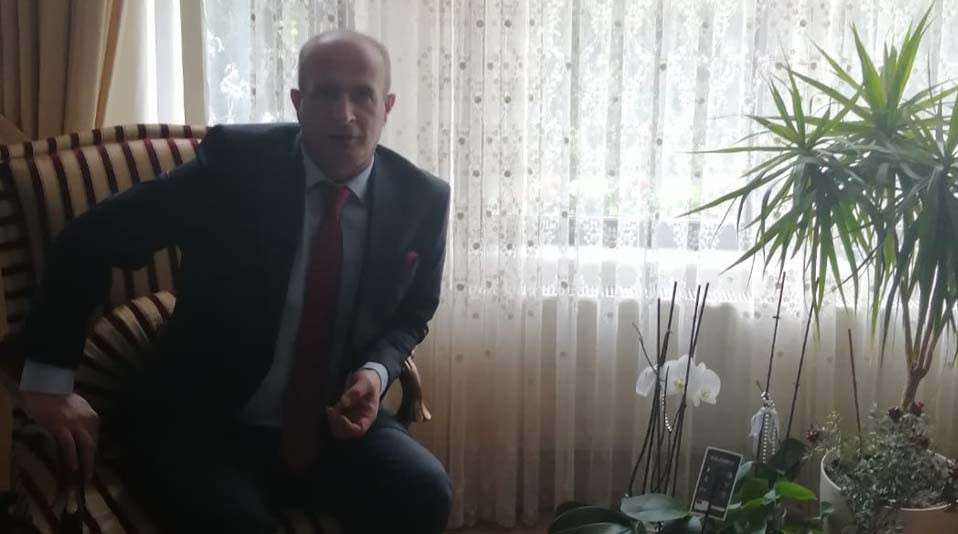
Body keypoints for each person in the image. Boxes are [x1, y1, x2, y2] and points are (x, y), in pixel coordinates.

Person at [17, 30, 452, 533]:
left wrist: (375, 373)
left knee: (425, 492)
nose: (345, 113)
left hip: (335, 424)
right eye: (327, 93)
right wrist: (48, 382)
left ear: (387, 105)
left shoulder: (422, 199)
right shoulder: (235, 166)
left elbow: (414, 309)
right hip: (205, 423)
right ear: (298, 102)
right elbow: (93, 236)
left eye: (363, 95)